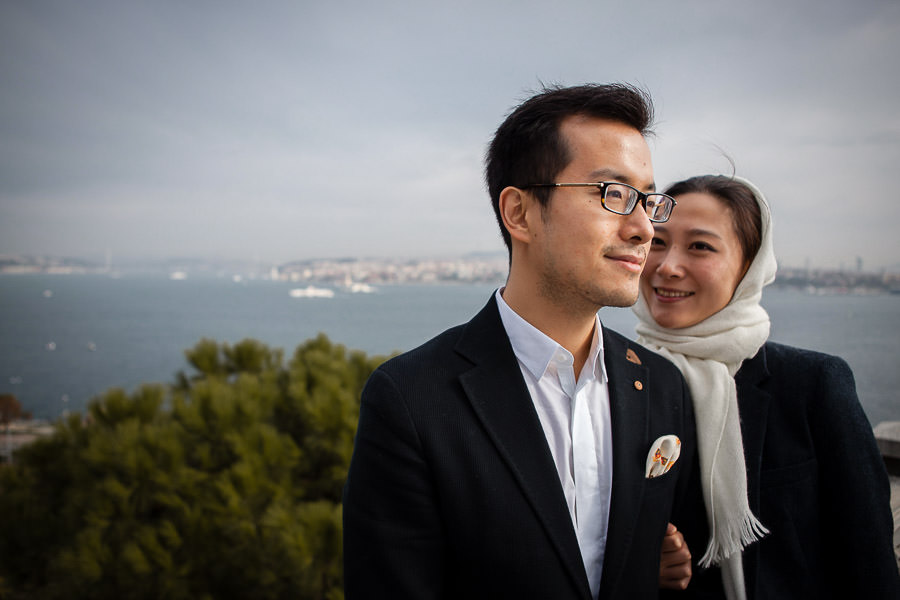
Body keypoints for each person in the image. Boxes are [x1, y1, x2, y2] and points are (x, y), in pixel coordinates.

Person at [342, 83, 704, 600]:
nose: (645, 228)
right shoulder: (412, 398)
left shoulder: (661, 384)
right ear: (520, 213)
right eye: (615, 195)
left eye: (649, 200)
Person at [634, 174, 900, 599]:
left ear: (750, 267)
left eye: (700, 246)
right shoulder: (616, 382)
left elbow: (868, 560)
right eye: (658, 242)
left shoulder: (811, 386)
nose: (667, 266)